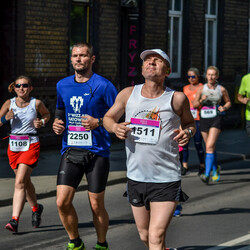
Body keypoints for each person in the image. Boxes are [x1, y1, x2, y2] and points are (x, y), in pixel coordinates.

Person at [103, 49, 195, 250]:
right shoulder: (128, 94)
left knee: (155, 236)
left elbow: (190, 124)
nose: (151, 62)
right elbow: (108, 118)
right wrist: (114, 128)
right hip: (136, 177)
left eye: (158, 60)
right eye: (147, 60)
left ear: (167, 71)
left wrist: (187, 133)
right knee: (145, 235)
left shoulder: (176, 98)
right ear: (142, 68)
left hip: (166, 178)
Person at [52, 42, 117, 250]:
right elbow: (60, 109)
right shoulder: (62, 85)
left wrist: (98, 122)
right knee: (62, 202)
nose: (78, 59)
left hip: (97, 152)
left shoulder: (104, 86)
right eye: (75, 56)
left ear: (92, 59)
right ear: (71, 59)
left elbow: (117, 116)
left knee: (96, 205)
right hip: (70, 150)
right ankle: (75, 242)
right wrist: (57, 123)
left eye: (83, 55)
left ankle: (101, 244)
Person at [0, 75, 50, 233]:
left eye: (25, 85)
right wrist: (5, 118)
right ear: (14, 88)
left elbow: (47, 115)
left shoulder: (36, 103)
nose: (22, 88)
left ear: (30, 88)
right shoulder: (9, 103)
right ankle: (36, 208)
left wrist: (41, 122)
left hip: (31, 144)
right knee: (24, 182)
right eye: (19, 85)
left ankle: (14, 220)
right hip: (14, 147)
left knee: (19, 182)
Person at [193, 66, 231, 184]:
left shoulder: (221, 89)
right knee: (209, 147)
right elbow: (194, 105)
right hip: (204, 118)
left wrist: (224, 107)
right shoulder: (201, 89)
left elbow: (228, 102)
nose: (211, 77)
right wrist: (201, 100)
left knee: (209, 145)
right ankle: (215, 168)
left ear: (217, 76)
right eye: (209, 74)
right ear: (206, 76)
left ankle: (206, 174)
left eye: (213, 74)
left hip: (216, 118)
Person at [182, 67, 205, 176]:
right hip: (187, 118)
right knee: (185, 143)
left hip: (198, 119)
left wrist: (201, 101)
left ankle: (202, 165)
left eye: (193, 76)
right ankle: (185, 166)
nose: (191, 79)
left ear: (197, 76)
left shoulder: (202, 87)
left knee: (197, 143)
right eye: (189, 77)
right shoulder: (185, 88)